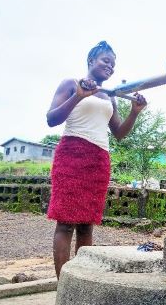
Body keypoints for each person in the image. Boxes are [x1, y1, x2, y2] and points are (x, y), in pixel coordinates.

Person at [46, 41, 147, 279]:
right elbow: (51, 119)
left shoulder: (109, 96)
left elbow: (120, 134)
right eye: (105, 61)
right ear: (91, 61)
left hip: (99, 160)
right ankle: (64, 285)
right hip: (71, 155)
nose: (110, 67)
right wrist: (79, 96)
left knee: (86, 223)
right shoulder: (71, 84)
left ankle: (81, 281)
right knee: (65, 222)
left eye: (113, 64)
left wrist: (134, 111)